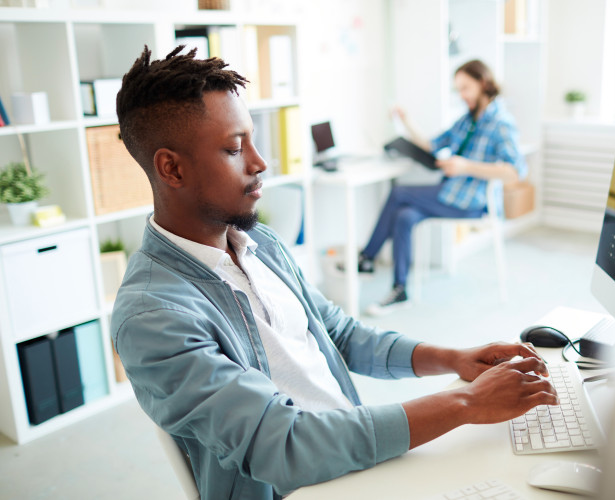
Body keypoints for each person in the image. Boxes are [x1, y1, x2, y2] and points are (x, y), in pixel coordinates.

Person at [111, 46, 556, 500]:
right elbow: (284, 445)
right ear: (171, 168)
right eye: (235, 148)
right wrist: (465, 403)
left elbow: (340, 334)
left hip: (358, 458)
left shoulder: (261, 244)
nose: (261, 163)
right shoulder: (152, 315)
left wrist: (454, 359)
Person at [358, 59, 526, 316]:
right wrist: (406, 119)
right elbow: (432, 145)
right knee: (404, 216)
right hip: (450, 194)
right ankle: (400, 290)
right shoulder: (468, 120)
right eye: (458, 90)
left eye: (466, 88)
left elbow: (515, 172)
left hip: (472, 202)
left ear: (483, 84)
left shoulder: (501, 122)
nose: (462, 95)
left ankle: (367, 257)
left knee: (400, 192)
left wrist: (466, 166)